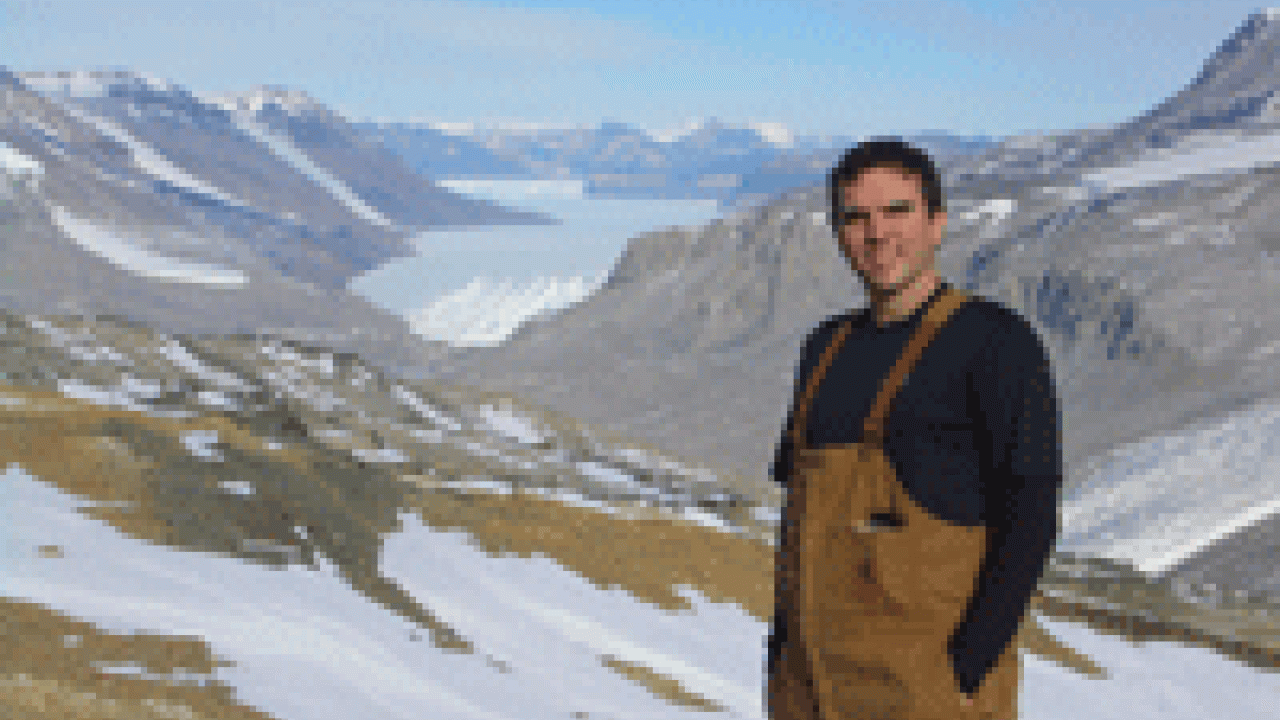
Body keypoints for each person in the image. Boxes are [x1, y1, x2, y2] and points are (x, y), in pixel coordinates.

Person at [765, 138, 1063, 720]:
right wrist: (780, 663)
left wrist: (965, 671)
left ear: (937, 223)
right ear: (839, 233)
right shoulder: (824, 348)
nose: (878, 234)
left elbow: (1032, 513)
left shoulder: (995, 342)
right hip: (808, 690)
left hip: (922, 692)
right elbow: (798, 516)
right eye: (857, 217)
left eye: (897, 211)